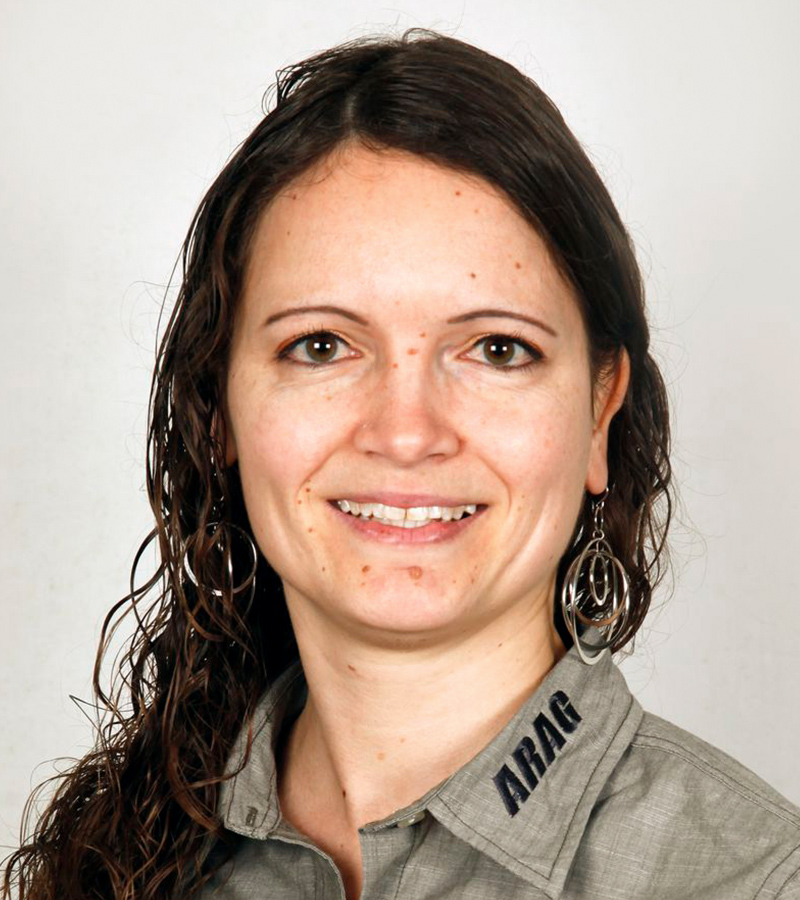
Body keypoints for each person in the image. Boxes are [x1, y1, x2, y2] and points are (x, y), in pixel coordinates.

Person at [4, 28, 799, 900]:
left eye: (497, 349)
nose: (407, 432)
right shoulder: (113, 862)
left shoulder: (758, 880)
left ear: (599, 411)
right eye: (321, 345)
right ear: (218, 407)